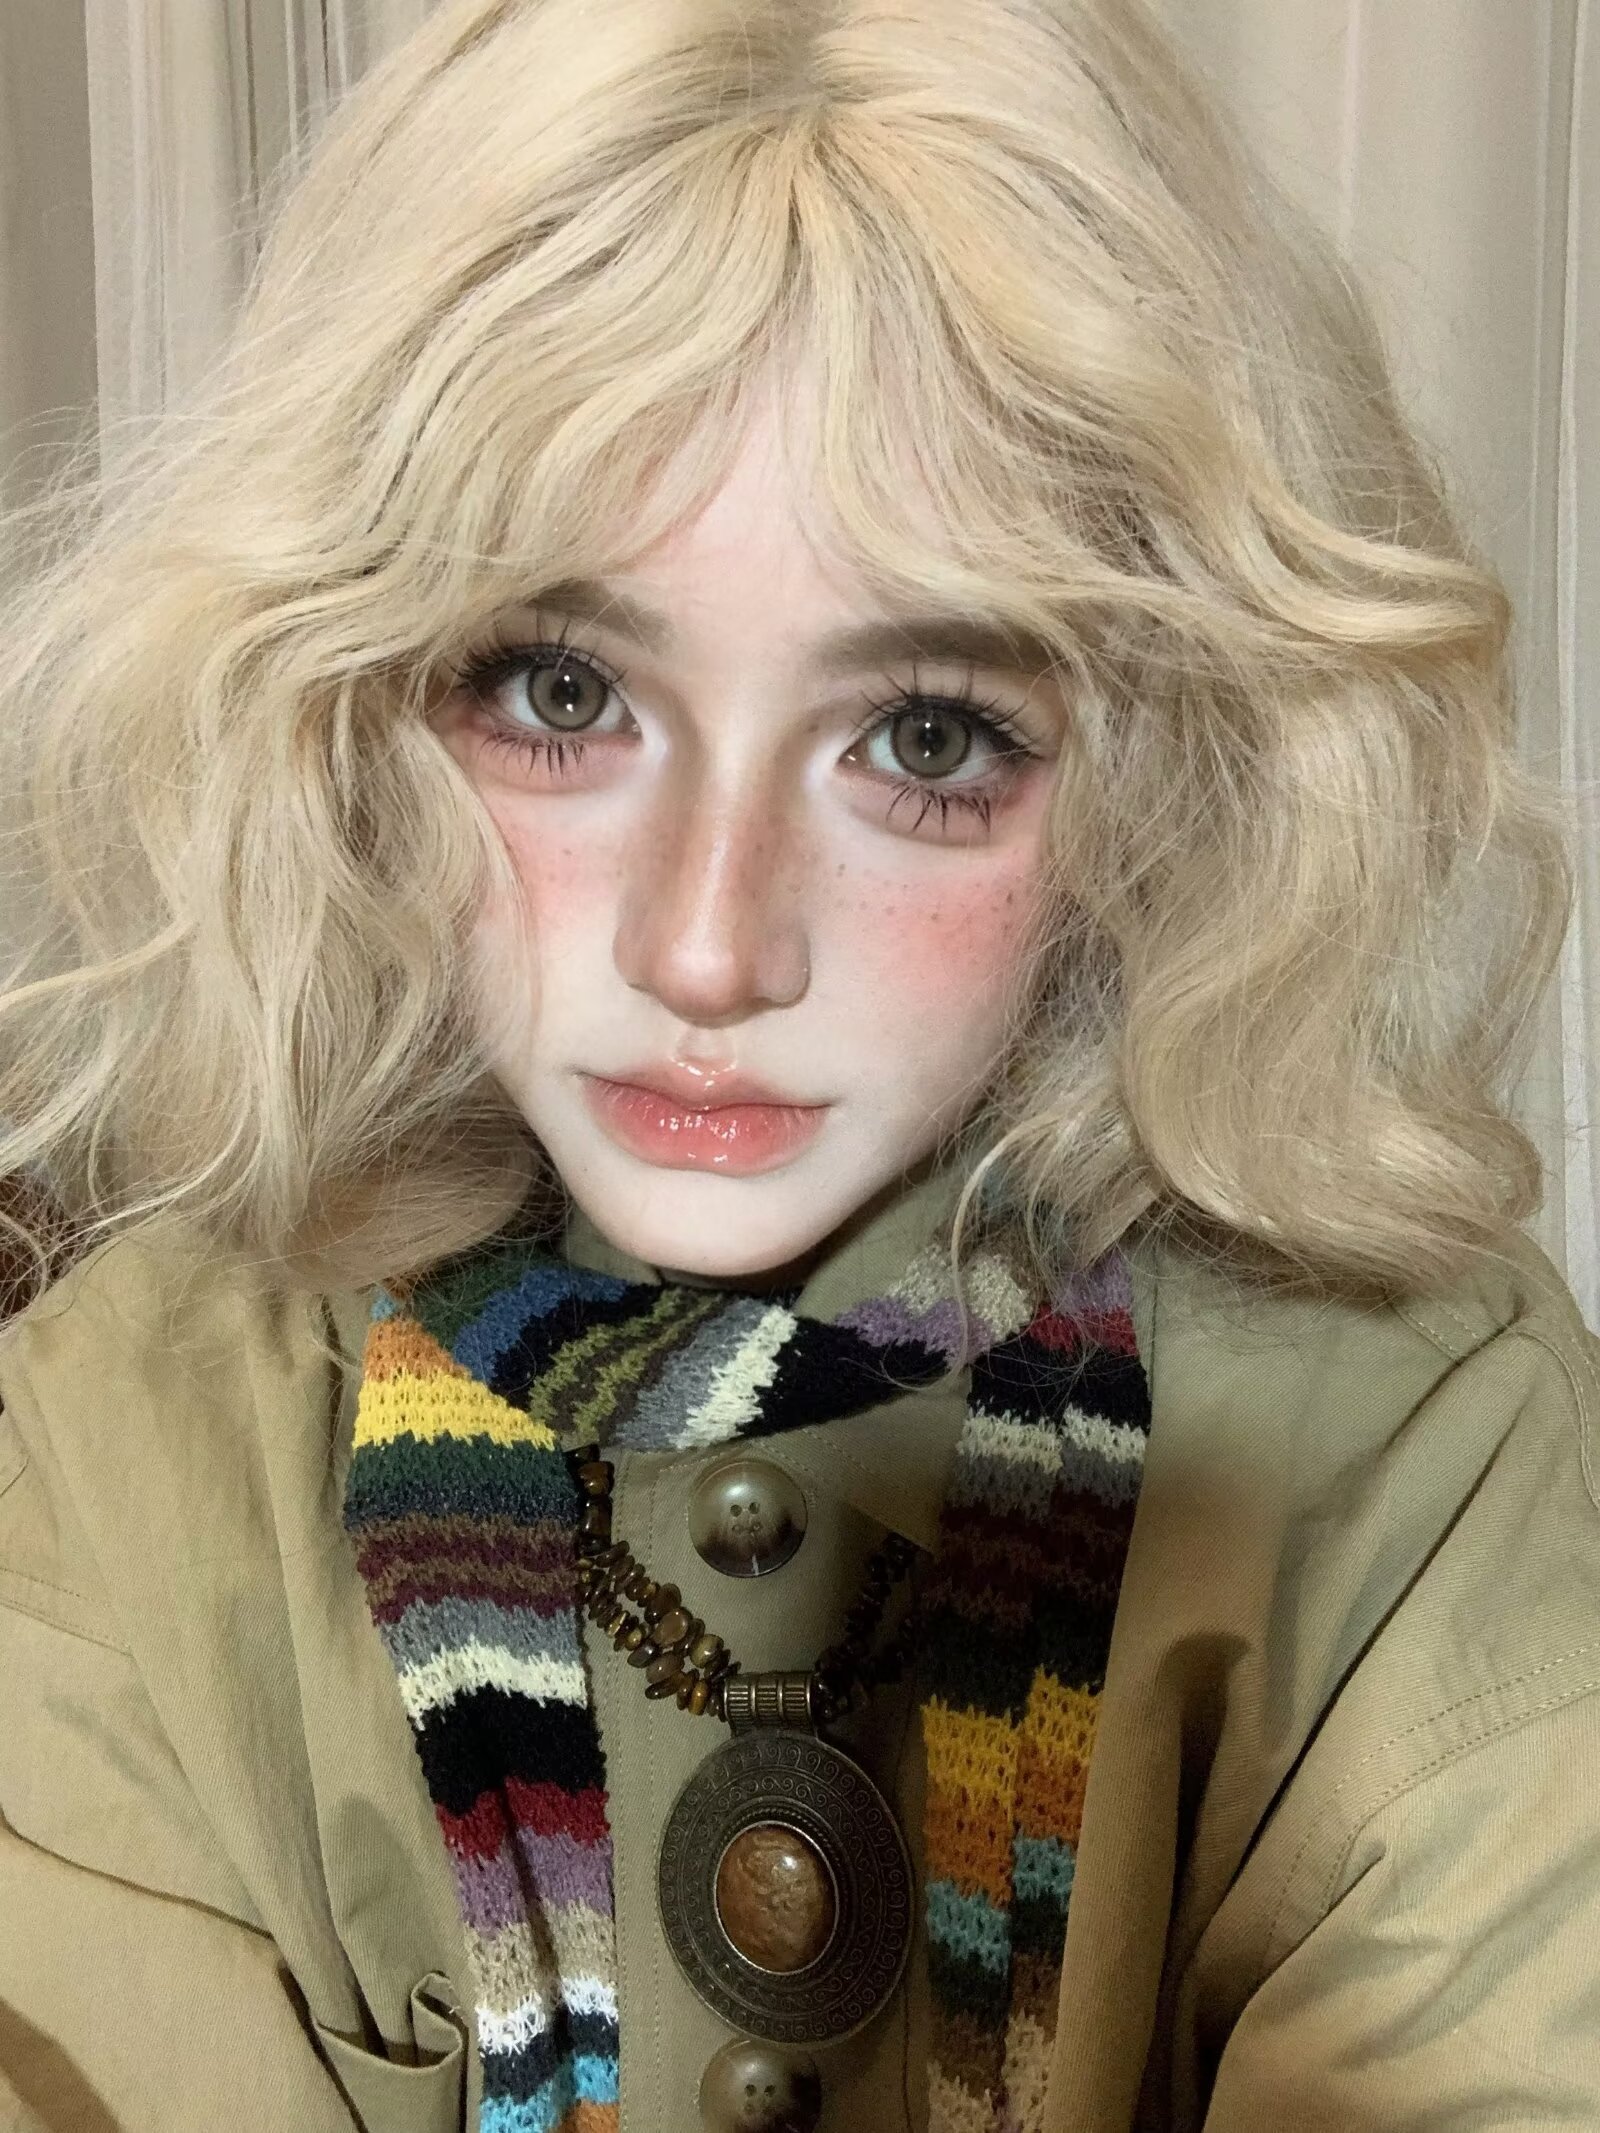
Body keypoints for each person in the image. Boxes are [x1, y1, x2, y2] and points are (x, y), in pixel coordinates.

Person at [0, 0, 1595, 2128]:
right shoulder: (122, 1442)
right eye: (560, 694)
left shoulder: (1419, 1437)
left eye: (924, 737)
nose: (706, 943)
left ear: (1163, 767)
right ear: (349, 692)